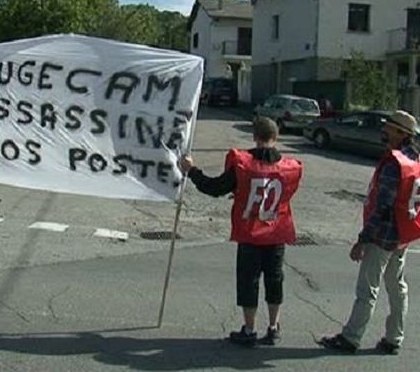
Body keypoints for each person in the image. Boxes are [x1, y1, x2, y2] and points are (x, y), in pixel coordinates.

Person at [179, 117, 303, 346]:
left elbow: (213, 187)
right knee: (275, 280)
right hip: (276, 233)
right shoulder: (290, 168)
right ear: (276, 138)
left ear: (255, 137)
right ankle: (274, 327)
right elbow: (282, 194)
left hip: (250, 233)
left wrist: (191, 170)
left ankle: (249, 329)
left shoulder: (243, 165)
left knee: (249, 281)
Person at [320, 110, 420, 355]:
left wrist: (362, 240)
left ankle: (351, 338)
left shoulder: (394, 164)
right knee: (397, 287)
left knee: (367, 289)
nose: (384, 131)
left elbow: (382, 205)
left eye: (389, 127)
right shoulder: (415, 160)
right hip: (403, 233)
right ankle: (394, 338)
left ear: (401, 133)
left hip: (383, 235)